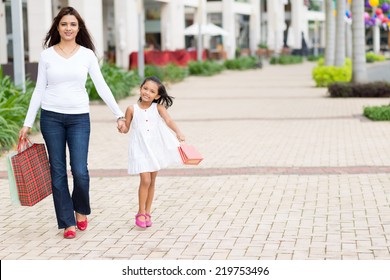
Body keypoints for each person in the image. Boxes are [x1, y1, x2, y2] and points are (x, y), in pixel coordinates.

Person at [19, 7, 126, 239]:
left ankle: (81, 210)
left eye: (73, 24)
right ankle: (67, 222)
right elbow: (39, 89)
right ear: (57, 27)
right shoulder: (47, 55)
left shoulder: (87, 55)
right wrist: (28, 123)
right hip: (51, 118)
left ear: (79, 28)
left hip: (79, 118)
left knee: (79, 171)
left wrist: (118, 114)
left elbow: (101, 85)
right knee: (57, 172)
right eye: (64, 24)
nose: (68, 28)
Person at [120, 76, 185, 228]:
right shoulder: (131, 109)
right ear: (140, 88)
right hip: (140, 148)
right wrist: (121, 127)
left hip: (155, 148)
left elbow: (169, 121)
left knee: (152, 181)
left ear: (157, 96)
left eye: (152, 91)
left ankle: (148, 212)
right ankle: (140, 212)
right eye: (145, 88)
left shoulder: (158, 108)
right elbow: (127, 128)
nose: (147, 92)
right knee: (145, 180)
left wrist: (178, 132)